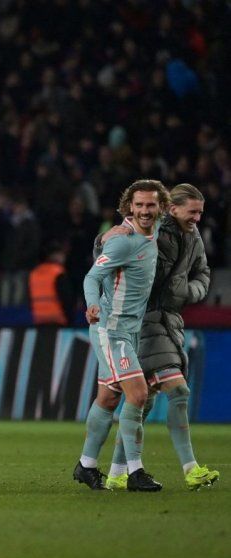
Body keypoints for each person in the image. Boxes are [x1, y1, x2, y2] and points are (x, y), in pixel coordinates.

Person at [100, 183, 219, 491]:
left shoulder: (193, 238)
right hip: (144, 321)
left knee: (144, 400)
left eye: (200, 213)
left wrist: (187, 292)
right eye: (192, 212)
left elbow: (203, 274)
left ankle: (116, 472)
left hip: (168, 321)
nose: (197, 218)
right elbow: (113, 249)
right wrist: (102, 239)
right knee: (177, 390)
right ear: (173, 209)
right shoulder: (151, 231)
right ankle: (191, 468)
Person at [73, 179, 169, 492]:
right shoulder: (122, 241)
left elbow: (182, 210)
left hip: (130, 329)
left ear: (159, 207)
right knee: (139, 394)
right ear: (129, 207)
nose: (145, 211)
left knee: (109, 395)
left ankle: (86, 465)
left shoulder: (154, 228)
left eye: (150, 205)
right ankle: (134, 472)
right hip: (110, 329)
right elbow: (92, 277)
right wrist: (92, 306)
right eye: (139, 205)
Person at [28, 242, 74, 326]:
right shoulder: (58, 272)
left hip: (39, 319)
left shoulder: (34, 273)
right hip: (57, 319)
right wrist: (70, 320)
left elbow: (29, 298)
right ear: (57, 255)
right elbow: (66, 298)